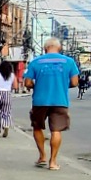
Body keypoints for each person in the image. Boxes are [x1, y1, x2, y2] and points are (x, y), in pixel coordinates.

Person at [25, 36, 81, 170]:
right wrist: (61, 84)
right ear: (59, 48)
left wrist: (37, 85)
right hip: (60, 100)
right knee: (56, 130)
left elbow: (27, 82)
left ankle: (42, 156)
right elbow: (74, 82)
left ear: (45, 49)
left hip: (39, 101)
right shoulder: (69, 62)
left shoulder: (35, 62)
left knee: (37, 127)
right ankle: (53, 162)